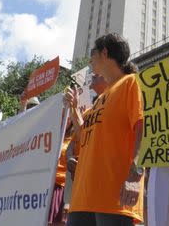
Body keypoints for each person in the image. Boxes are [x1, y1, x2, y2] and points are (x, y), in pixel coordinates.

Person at [65, 33, 144, 226]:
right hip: (83, 198)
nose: (90, 59)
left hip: (113, 196)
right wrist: (74, 109)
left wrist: (135, 174)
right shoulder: (100, 98)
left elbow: (144, 128)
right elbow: (85, 135)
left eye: (93, 53)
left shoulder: (131, 82)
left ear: (105, 52)